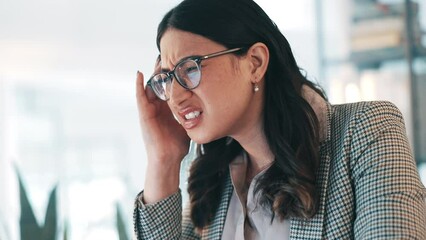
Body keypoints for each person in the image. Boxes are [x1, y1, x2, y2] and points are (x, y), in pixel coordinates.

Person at [133, 0, 426, 239]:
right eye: (167, 79)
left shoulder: (368, 131)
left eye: (189, 69)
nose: (175, 97)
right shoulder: (215, 181)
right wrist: (164, 158)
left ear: (255, 63)